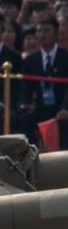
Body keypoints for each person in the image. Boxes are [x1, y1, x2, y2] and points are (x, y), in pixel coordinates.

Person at [20, 17, 68, 147]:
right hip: (41, 107)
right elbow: (26, 87)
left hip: (61, 106)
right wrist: (26, 103)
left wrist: (65, 108)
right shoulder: (31, 60)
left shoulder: (65, 56)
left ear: (56, 33)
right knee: (23, 119)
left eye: (46, 31)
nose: (41, 35)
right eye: (39, 31)